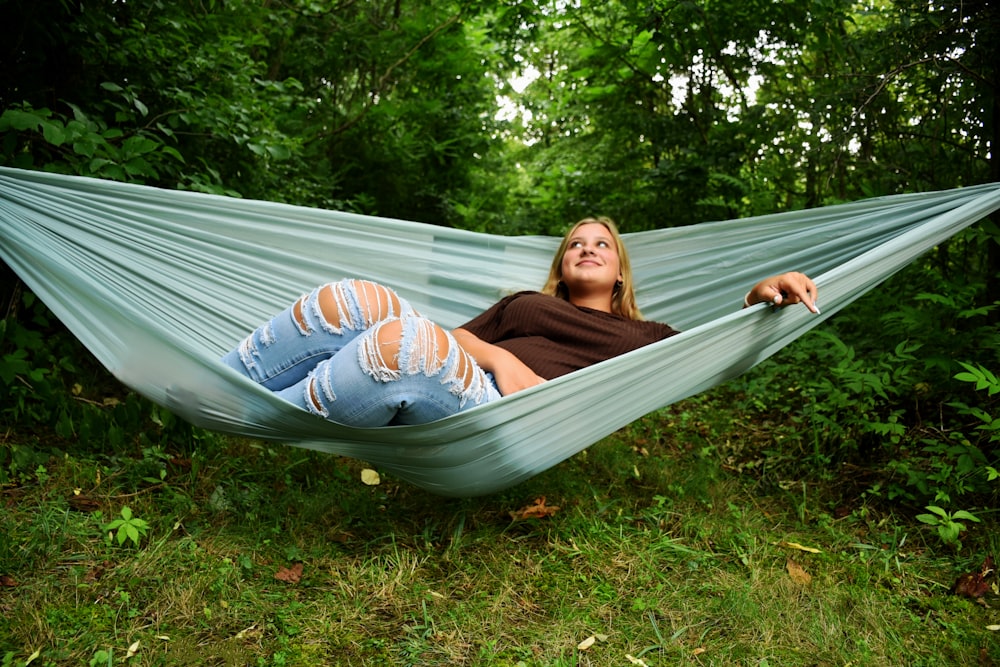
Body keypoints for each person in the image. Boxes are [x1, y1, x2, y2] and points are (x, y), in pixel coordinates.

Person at [222, 216, 819, 427]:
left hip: (511, 414)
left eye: (602, 245)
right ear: (562, 263)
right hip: (474, 373)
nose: (587, 248)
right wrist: (502, 357)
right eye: (576, 243)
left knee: (400, 344)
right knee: (356, 298)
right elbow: (457, 338)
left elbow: (707, 355)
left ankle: (239, 410)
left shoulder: (650, 336)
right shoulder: (523, 304)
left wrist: (757, 295)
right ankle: (216, 382)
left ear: (619, 275)